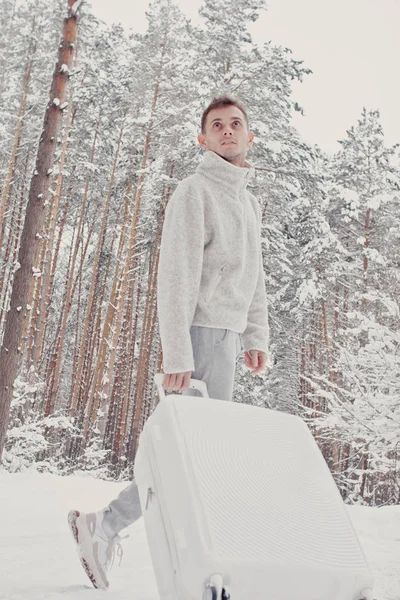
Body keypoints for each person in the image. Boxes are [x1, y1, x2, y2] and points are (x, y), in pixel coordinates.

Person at [68, 94, 270, 589]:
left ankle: (105, 524)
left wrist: (255, 333)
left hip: (226, 338)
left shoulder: (248, 202)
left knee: (194, 455)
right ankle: (117, 530)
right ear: (202, 139)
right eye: (216, 125)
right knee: (188, 456)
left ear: (250, 137)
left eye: (236, 124)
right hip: (198, 336)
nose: (227, 130)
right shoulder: (194, 191)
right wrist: (177, 351)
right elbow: (175, 276)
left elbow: (256, 276)